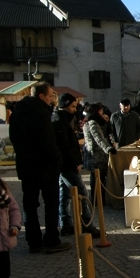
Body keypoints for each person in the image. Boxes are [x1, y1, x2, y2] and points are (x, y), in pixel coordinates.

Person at [9, 82, 71, 254]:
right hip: (45, 166)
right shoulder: (42, 113)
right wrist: (57, 159)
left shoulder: (17, 113)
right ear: (41, 96)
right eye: (51, 95)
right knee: (51, 203)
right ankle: (51, 239)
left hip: (26, 165)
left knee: (30, 204)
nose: (53, 99)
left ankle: (33, 241)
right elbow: (47, 142)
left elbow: (14, 138)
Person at [52, 93, 100, 238]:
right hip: (66, 164)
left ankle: (66, 224)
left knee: (65, 194)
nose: (74, 109)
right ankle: (86, 224)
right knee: (82, 192)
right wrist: (75, 163)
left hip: (65, 163)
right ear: (65, 105)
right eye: (72, 106)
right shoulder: (59, 120)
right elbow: (65, 146)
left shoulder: (62, 119)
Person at [0, 160, 23, 278]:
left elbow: (14, 209)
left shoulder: (2, 188)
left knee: (4, 269)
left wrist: (14, 226)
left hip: (3, 239)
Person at [83, 103, 116, 205]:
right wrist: (108, 149)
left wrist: (107, 122)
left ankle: (100, 199)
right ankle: (97, 200)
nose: (102, 112)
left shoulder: (98, 122)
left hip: (100, 154)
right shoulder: (93, 122)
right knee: (97, 178)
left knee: (99, 177)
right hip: (96, 155)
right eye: (101, 110)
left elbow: (109, 133)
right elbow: (99, 138)